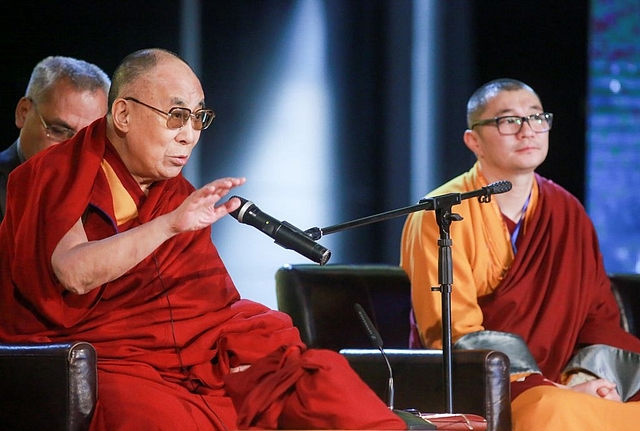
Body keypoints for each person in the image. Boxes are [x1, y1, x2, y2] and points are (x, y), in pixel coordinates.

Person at [0, 48, 418, 431]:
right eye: (176, 115)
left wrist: (238, 347)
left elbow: (205, 306)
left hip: (192, 362)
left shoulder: (175, 195)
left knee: (317, 383)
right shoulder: (56, 172)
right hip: (110, 362)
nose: (189, 135)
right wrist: (168, 226)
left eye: (198, 117)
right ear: (123, 115)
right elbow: (72, 272)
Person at [400, 78, 640, 430]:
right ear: (474, 141)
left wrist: (584, 379)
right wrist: (551, 385)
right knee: (554, 408)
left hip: (567, 376)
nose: (527, 131)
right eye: (508, 120)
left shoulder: (567, 211)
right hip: (485, 381)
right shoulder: (439, 215)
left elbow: (597, 315)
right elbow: (452, 332)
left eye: (537, 117)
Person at [0, 55, 110, 221]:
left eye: (88, 137)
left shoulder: (104, 197)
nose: (74, 149)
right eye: (59, 130)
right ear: (23, 112)